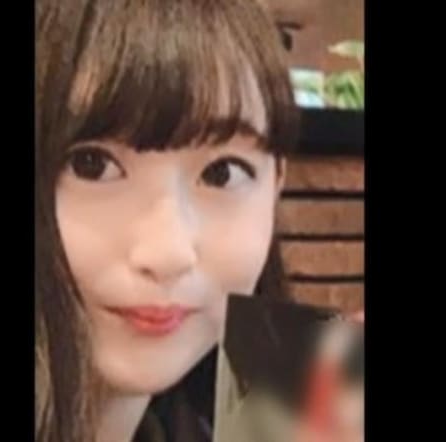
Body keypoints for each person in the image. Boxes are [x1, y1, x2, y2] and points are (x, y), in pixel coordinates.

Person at [35, 0, 320, 440]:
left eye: (222, 172)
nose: (168, 253)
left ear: (275, 183)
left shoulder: (270, 401)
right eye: (92, 165)